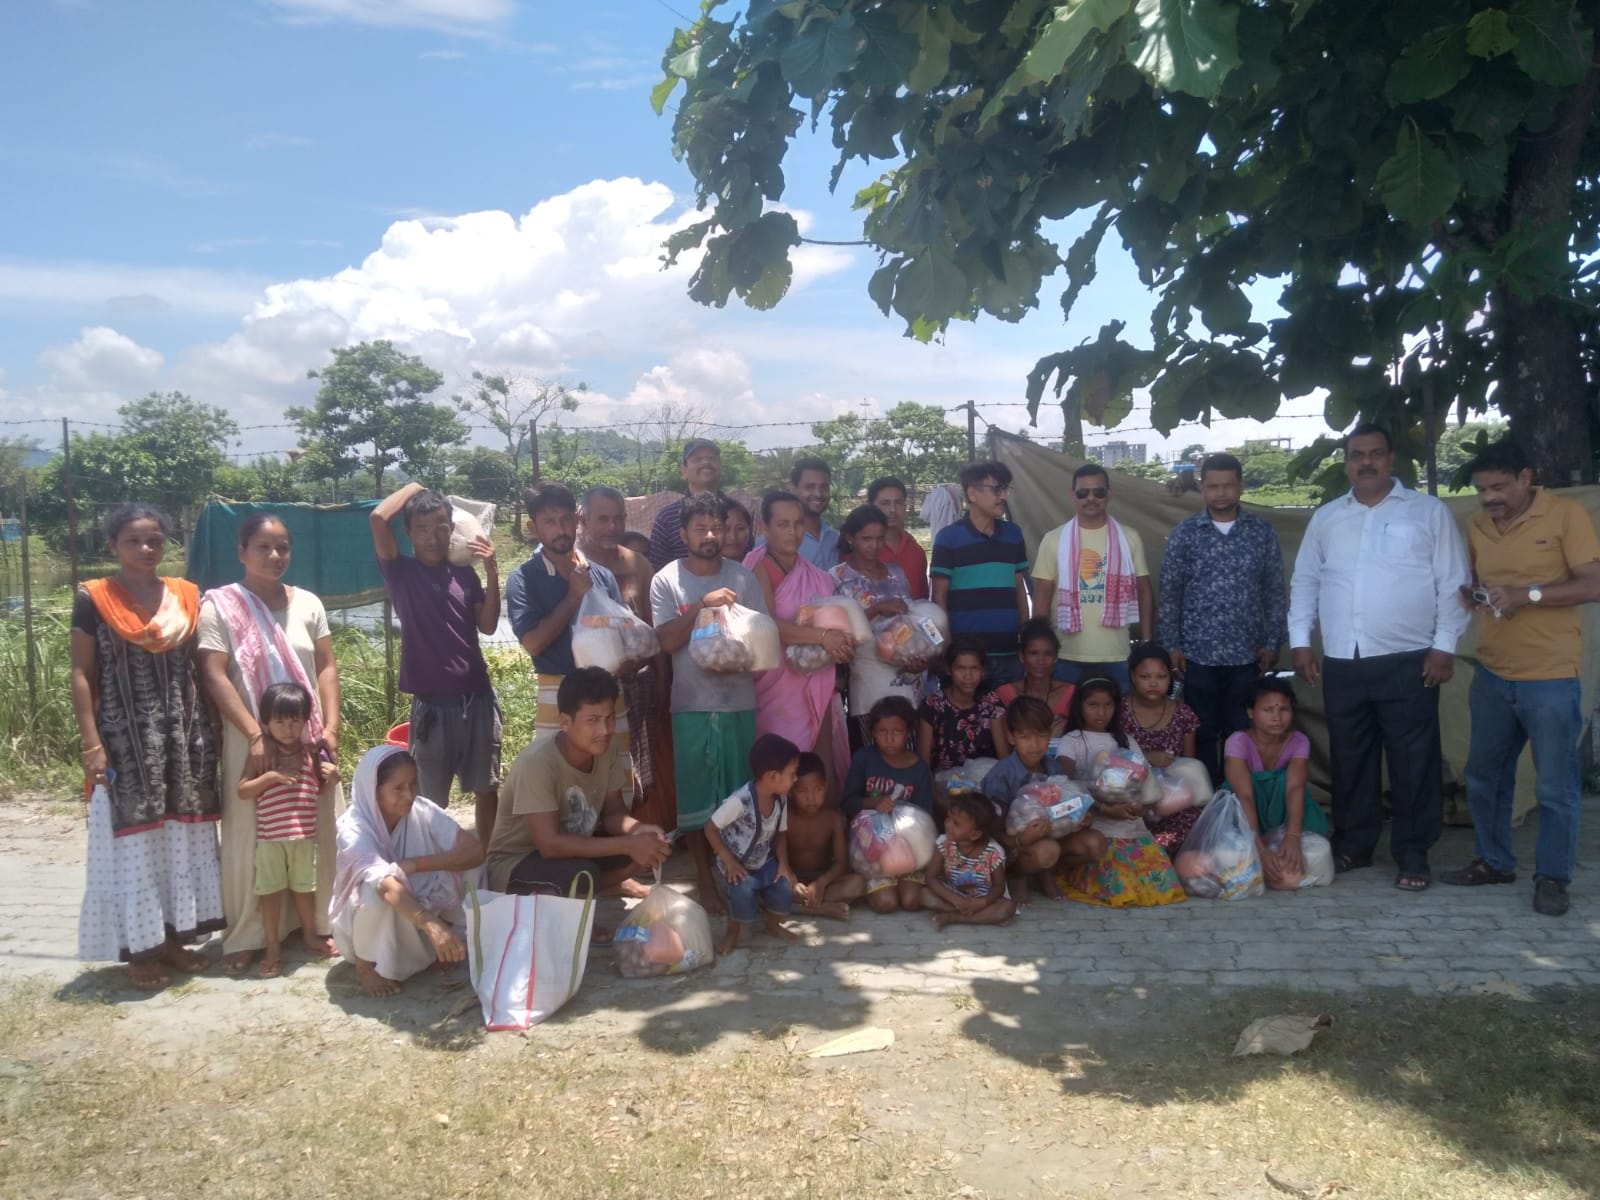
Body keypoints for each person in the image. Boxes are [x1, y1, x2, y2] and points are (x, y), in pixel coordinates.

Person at [1288, 424, 1470, 892]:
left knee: (1414, 760)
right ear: (1346, 462)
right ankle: (1354, 845)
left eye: (1375, 454)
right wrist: (1301, 641)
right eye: (1356, 455)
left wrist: (1445, 645)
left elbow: (1453, 581)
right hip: (1344, 660)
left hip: (1410, 658)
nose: (1365, 462)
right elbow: (1306, 580)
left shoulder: (1427, 512)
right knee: (1351, 759)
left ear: (1391, 460)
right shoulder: (1328, 518)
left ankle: (1413, 854)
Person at [1442, 441, 1600, 916]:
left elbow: (1593, 583)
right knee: (1484, 777)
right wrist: (1473, 593)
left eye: (1499, 486)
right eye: (1481, 489)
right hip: (1493, 671)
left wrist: (1525, 594)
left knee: (1555, 786)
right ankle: (1495, 862)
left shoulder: (1566, 516)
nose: (1490, 497)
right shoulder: (1478, 525)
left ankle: (1553, 878)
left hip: (1550, 675)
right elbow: (1473, 581)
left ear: (1526, 478)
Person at [72, 503, 223, 990]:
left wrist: (213, 730)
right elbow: (82, 673)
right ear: (112, 545)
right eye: (134, 540)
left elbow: (202, 668)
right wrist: (91, 742)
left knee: (180, 833)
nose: (145, 549)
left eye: (154, 540)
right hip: (123, 738)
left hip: (183, 734)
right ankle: (141, 948)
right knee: (136, 838)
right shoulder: (95, 598)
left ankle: (175, 940)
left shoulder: (185, 596)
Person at [197, 512, 343, 976]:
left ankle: (318, 922)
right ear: (241, 552)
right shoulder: (220, 607)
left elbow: (325, 668)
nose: (275, 556)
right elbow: (214, 673)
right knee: (250, 837)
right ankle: (248, 933)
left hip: (308, 739)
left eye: (283, 547)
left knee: (319, 829)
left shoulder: (309, 604)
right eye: (263, 547)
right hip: (252, 743)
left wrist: (332, 728)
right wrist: (254, 733)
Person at [651, 492, 769, 913]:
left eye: (717, 526)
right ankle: (703, 877)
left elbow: (758, 642)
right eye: (700, 528)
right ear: (683, 533)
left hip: (738, 701)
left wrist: (733, 650)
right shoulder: (666, 580)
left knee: (738, 796)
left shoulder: (744, 578)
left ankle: (739, 875)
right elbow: (664, 641)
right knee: (698, 797)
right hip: (691, 706)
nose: (710, 534)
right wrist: (701, 605)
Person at [370, 483, 503, 848]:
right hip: (431, 708)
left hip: (477, 701)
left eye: (442, 526)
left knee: (486, 789)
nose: (433, 537)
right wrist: (416, 486)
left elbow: (489, 625)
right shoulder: (402, 573)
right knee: (429, 800)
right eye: (423, 528)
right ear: (410, 532)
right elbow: (379, 518)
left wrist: (491, 569)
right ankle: (437, 870)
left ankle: (488, 865)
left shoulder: (464, 575)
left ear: (452, 529)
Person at [486, 669, 671, 929]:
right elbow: (550, 845)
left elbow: (613, 813)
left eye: (609, 718)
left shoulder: (606, 749)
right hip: (516, 862)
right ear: (565, 722)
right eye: (592, 720)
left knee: (635, 852)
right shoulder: (537, 763)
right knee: (583, 874)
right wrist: (627, 844)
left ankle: (597, 889)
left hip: (570, 847)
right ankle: (569, 918)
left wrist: (640, 831)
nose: (605, 729)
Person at [1158, 452, 1287, 779]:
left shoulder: (1261, 533)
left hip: (1247, 656)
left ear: (1241, 486)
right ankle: (1205, 809)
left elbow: (1274, 592)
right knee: (1200, 733)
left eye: (1228, 485)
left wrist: (1272, 643)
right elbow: (1171, 594)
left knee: (1241, 734)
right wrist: (1173, 646)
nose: (1221, 493)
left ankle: (1236, 803)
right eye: (1213, 486)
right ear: (1202, 488)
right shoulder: (1186, 533)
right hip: (1197, 655)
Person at [330, 746, 485, 998]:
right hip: (370, 921)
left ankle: (447, 941)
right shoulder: (353, 828)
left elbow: (474, 850)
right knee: (374, 890)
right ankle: (366, 965)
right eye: (398, 788)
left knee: (472, 866)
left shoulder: (421, 810)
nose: (409, 794)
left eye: (413, 784)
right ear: (374, 790)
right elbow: (386, 885)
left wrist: (416, 864)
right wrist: (431, 924)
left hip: (415, 905)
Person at [506, 483, 632, 784]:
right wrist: (574, 597)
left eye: (565, 519)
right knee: (559, 786)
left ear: (577, 521)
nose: (560, 529)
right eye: (549, 522)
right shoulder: (523, 579)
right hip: (557, 692)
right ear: (533, 527)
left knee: (614, 784)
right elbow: (534, 643)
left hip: (607, 691)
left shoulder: (601, 575)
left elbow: (621, 635)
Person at [745, 490, 853, 786]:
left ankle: (825, 828)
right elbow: (763, 623)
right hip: (774, 686)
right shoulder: (757, 568)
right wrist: (822, 637)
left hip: (816, 679)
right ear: (765, 528)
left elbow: (832, 621)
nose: (792, 532)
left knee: (819, 768)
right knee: (780, 768)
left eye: (797, 523)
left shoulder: (817, 575)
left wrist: (841, 642)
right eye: (782, 524)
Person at [579, 485, 668, 830]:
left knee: (635, 770)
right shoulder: (573, 566)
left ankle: (633, 845)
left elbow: (652, 627)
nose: (612, 526)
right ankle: (595, 845)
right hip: (589, 690)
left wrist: (661, 680)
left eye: (619, 518)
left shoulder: (637, 564)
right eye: (603, 519)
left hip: (637, 686)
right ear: (583, 519)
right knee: (592, 768)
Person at [237, 682, 340, 978]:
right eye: (279, 721)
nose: (288, 728)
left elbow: (320, 788)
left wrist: (333, 776)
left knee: (305, 891)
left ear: (306, 721)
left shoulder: (311, 753)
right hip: (270, 841)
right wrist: (270, 777)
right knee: (271, 895)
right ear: (266, 723)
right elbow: (243, 791)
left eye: (295, 720)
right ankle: (272, 947)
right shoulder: (262, 757)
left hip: (304, 839)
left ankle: (310, 936)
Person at [1055, 677, 1186, 908]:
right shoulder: (1071, 741)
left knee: (1161, 880)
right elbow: (1069, 783)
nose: (1101, 712)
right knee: (1120, 884)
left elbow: (1146, 781)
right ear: (1080, 706)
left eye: (1108, 705)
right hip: (1095, 824)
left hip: (1130, 825)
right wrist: (1104, 806)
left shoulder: (1125, 741)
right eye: (1093, 705)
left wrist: (1141, 806)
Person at [1031, 463, 1153, 694]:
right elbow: (1042, 595)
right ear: (1073, 495)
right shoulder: (1054, 539)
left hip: (1116, 655)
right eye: (1082, 492)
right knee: (1065, 726)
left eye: (1098, 492)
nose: (1091, 498)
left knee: (1115, 726)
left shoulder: (1129, 538)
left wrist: (1146, 642)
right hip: (1065, 655)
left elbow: (1144, 589)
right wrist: (1040, 648)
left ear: (1109, 494)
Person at [1223, 677, 1331, 890]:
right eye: (1268, 710)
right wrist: (1258, 849)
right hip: (1247, 813)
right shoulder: (1238, 741)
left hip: (1283, 811)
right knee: (1226, 854)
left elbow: (1294, 788)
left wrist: (1292, 837)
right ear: (1251, 713)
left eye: (1284, 709)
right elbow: (1244, 795)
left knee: (1318, 853)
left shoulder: (1299, 741)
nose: (1277, 717)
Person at [931, 460, 1030, 685]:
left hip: (1008, 654)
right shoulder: (948, 538)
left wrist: (1024, 636)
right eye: (996, 489)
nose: (1003, 495)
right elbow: (939, 597)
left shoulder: (1014, 534)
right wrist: (947, 648)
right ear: (972, 493)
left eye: (1005, 489)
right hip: (965, 659)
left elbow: (1019, 588)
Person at [831, 503, 922, 748]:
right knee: (875, 756)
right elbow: (837, 634)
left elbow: (911, 617)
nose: (874, 546)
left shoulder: (896, 572)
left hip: (906, 679)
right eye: (866, 539)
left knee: (906, 752)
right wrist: (876, 610)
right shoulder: (837, 577)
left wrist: (921, 656)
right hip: (868, 681)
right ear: (850, 538)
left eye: (880, 538)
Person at [705, 733, 801, 953]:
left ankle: (773, 924)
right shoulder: (740, 801)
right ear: (773, 777)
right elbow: (710, 828)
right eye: (792, 774)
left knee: (783, 887)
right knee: (740, 893)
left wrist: (784, 865)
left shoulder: (782, 799)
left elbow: (781, 835)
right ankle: (732, 933)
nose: (796, 779)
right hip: (736, 863)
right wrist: (728, 861)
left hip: (764, 861)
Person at [841, 696, 933, 913]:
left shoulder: (919, 768)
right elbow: (847, 803)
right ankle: (876, 881)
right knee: (886, 904)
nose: (890, 738)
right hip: (872, 849)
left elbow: (925, 818)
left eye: (897, 732)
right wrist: (873, 803)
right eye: (882, 732)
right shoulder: (864, 758)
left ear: (909, 732)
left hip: (910, 849)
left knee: (911, 901)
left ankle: (906, 878)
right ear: (872, 732)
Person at [1121, 644, 1203, 854]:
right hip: (1133, 798)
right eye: (1145, 676)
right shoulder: (1120, 711)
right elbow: (1112, 762)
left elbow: (1189, 765)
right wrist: (1146, 759)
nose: (1153, 683)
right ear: (1132, 676)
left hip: (1173, 798)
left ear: (1170, 678)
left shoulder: (1183, 714)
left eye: (1161, 676)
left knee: (1193, 827)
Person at [982, 696, 1065, 901]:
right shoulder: (1001, 776)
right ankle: (1016, 875)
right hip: (1007, 844)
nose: (1034, 745)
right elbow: (990, 829)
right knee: (1047, 851)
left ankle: (1044, 871)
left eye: (1041, 735)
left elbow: (1065, 804)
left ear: (1050, 735)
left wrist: (1079, 816)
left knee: (1092, 842)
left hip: (1047, 833)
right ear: (1011, 737)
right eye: (1025, 737)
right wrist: (1019, 840)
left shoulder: (1054, 769)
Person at [785, 751, 865, 920]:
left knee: (858, 884)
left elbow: (842, 863)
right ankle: (820, 908)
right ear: (790, 791)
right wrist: (793, 882)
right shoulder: (785, 818)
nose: (811, 798)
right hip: (792, 880)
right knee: (763, 888)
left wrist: (821, 883)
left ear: (826, 787)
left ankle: (801, 905)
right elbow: (780, 862)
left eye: (818, 789)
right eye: (802, 791)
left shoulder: (832, 819)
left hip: (823, 879)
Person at [924, 792, 1016, 929]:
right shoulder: (944, 843)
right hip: (953, 895)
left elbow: (999, 886)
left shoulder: (993, 852)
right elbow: (931, 877)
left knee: (1007, 908)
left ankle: (953, 917)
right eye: (948, 818)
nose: (948, 824)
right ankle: (977, 915)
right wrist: (955, 900)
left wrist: (981, 903)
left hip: (984, 899)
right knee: (923, 895)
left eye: (956, 823)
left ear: (974, 834)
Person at [916, 636, 1005, 772]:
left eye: (974, 668)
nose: (968, 676)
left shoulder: (991, 702)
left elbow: (1003, 755)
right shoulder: (932, 705)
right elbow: (923, 764)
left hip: (983, 784)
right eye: (960, 668)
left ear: (983, 671)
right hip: (942, 785)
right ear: (948, 669)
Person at [993, 619, 1075, 756]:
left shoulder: (1071, 694)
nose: (1041, 661)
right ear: (1021, 656)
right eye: (1033, 653)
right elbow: (1004, 753)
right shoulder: (1003, 694)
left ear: (1056, 658)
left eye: (1048, 654)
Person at [649, 437, 722, 569]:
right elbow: (657, 567)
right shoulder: (667, 517)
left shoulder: (735, 512)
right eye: (697, 459)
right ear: (684, 470)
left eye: (712, 458)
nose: (706, 462)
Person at [869, 475, 929, 600]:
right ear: (871, 506)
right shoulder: (861, 551)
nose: (892, 510)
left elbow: (923, 600)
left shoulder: (916, 551)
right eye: (885, 503)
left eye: (898, 503)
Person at [790, 456, 840, 569]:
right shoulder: (775, 541)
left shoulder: (833, 538)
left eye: (824, 487)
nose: (818, 494)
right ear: (793, 489)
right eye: (810, 487)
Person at [721, 497, 754, 563]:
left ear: (749, 530)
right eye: (725, 529)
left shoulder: (759, 565)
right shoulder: (700, 569)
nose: (733, 537)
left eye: (740, 528)